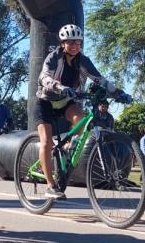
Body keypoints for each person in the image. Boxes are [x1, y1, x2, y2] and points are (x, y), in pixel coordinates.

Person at [34, 23, 129, 199]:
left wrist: (119, 93)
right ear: (63, 43)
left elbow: (100, 79)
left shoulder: (82, 60)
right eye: (71, 43)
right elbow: (43, 77)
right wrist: (60, 87)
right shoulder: (53, 57)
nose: (75, 46)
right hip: (46, 101)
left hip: (65, 102)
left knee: (82, 118)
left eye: (78, 43)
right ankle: (50, 185)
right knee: (46, 141)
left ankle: (68, 146)